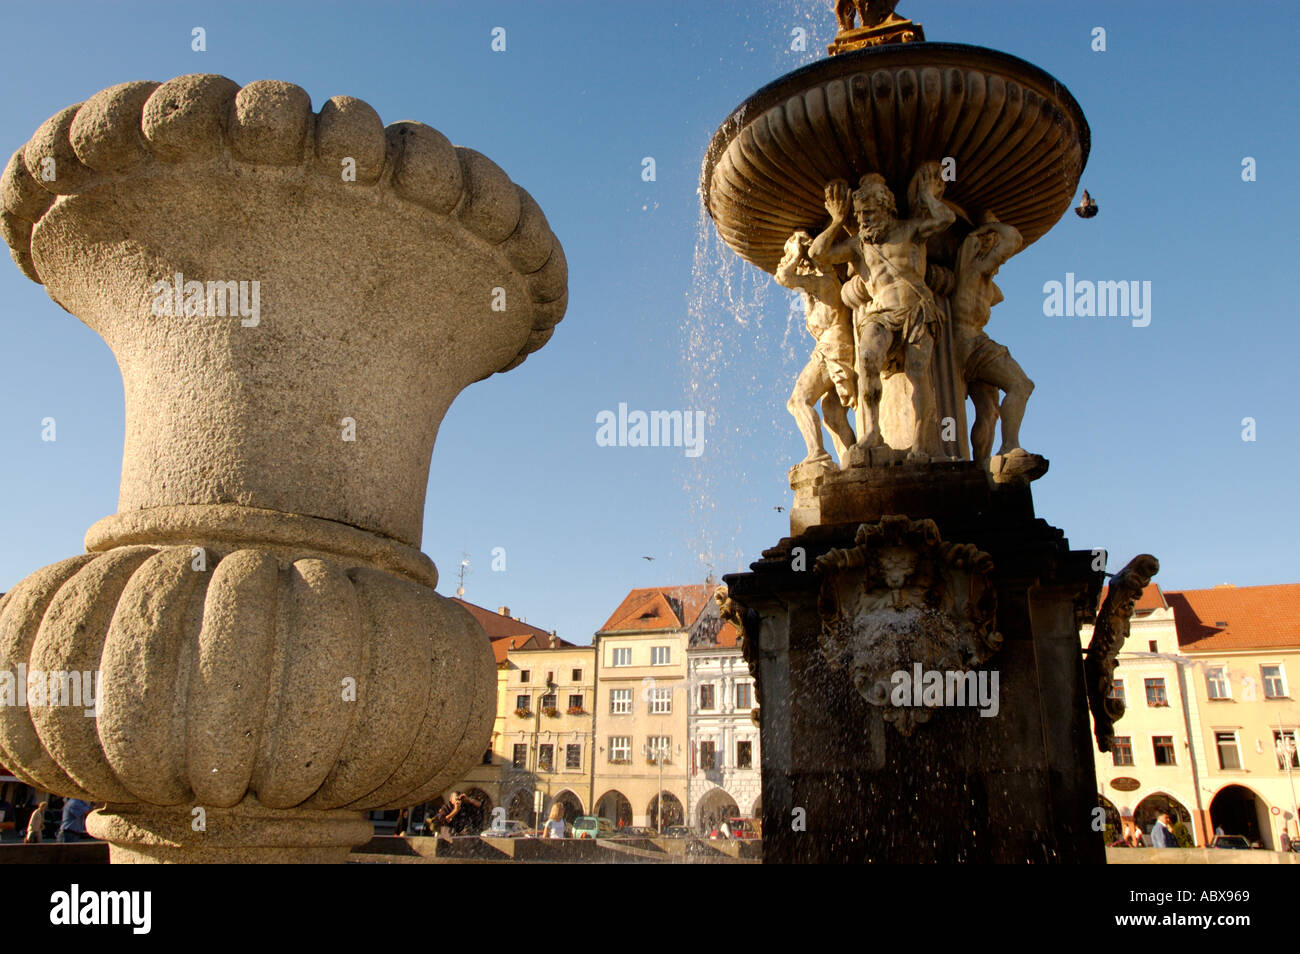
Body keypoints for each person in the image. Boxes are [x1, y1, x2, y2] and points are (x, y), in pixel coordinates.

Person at [810, 162, 955, 460]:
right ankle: (873, 432)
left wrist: (928, 195)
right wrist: (837, 219)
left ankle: (921, 443)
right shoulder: (860, 245)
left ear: (886, 208)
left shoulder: (910, 230)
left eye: (869, 212)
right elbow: (817, 254)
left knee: (918, 371)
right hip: (881, 314)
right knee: (866, 359)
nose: (863, 219)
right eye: (860, 214)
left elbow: (946, 218)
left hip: (917, 310)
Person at [773, 229, 857, 467]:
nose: (789, 265)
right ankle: (853, 461)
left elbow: (783, 277)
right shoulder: (820, 284)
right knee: (832, 411)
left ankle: (817, 454)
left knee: (798, 401)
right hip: (835, 347)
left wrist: (795, 253)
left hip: (833, 349)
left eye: (792, 260)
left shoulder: (823, 282)